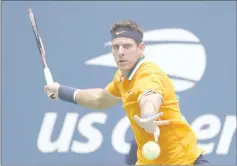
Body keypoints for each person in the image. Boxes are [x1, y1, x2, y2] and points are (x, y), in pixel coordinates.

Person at [44, 20, 209, 165]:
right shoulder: (122, 77)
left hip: (184, 161)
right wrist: (60, 91)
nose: (120, 51)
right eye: (116, 47)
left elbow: (150, 97)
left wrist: (147, 116)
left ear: (141, 48)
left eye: (127, 46)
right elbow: (101, 99)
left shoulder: (148, 75)